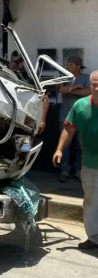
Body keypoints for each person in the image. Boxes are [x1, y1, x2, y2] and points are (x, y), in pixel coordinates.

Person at [53, 70, 98, 250]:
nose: (97, 87)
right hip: (89, 164)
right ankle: (94, 238)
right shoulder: (80, 105)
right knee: (90, 202)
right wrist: (59, 150)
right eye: (94, 84)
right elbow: (68, 129)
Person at [57, 56, 91, 182]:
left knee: (80, 145)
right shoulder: (64, 77)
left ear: (78, 66)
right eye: (67, 64)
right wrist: (76, 87)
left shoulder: (86, 77)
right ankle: (64, 171)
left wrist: (70, 90)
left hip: (82, 117)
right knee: (65, 145)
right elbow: (60, 89)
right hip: (65, 116)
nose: (67, 67)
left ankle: (79, 171)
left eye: (71, 65)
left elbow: (87, 91)